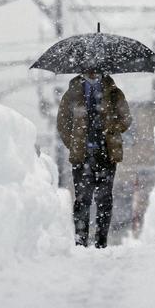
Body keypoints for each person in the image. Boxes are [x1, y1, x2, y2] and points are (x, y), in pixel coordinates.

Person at [57, 70, 132, 248]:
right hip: (82, 156)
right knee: (82, 199)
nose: (92, 71)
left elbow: (126, 119)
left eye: (96, 67)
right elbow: (62, 123)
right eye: (88, 67)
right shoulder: (72, 94)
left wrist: (113, 127)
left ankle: (101, 242)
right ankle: (81, 241)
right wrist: (74, 143)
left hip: (106, 153)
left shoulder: (114, 93)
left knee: (104, 199)